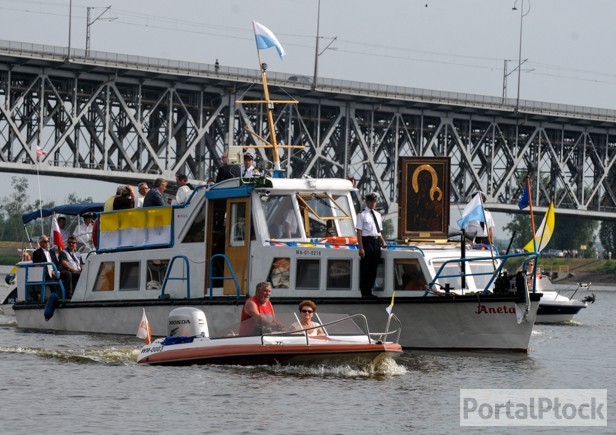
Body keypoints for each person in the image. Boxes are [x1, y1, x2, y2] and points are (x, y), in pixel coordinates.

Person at [356, 192, 387, 298]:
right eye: (371, 201)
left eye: (375, 201)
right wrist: (361, 247)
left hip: (376, 241)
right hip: (367, 241)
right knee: (366, 267)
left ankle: (370, 290)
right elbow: (359, 232)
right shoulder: (361, 214)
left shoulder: (378, 215)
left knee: (374, 266)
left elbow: (378, 231)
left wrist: (382, 241)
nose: (374, 203)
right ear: (367, 202)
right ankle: (364, 292)